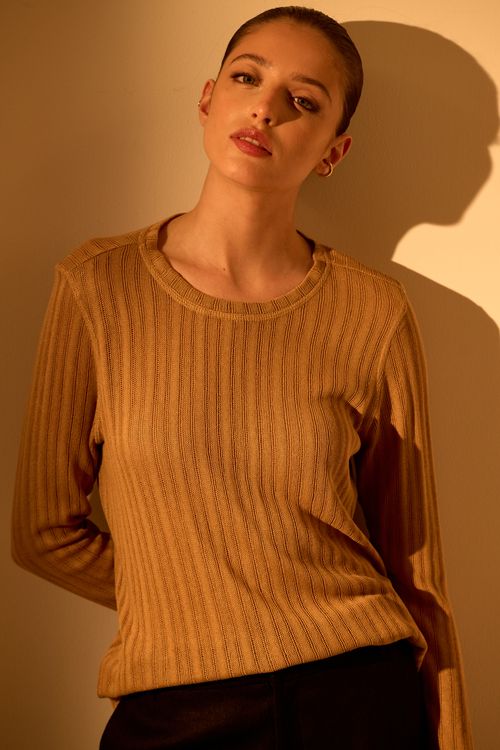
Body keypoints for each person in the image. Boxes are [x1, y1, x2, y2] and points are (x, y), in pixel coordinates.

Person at [12, 6, 473, 749]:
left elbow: (419, 574)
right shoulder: (98, 287)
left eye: (304, 101)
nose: (265, 108)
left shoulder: (373, 311)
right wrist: (194, 606)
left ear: (333, 151)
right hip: (176, 711)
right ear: (208, 98)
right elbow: (43, 534)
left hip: (358, 696)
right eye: (247, 78)